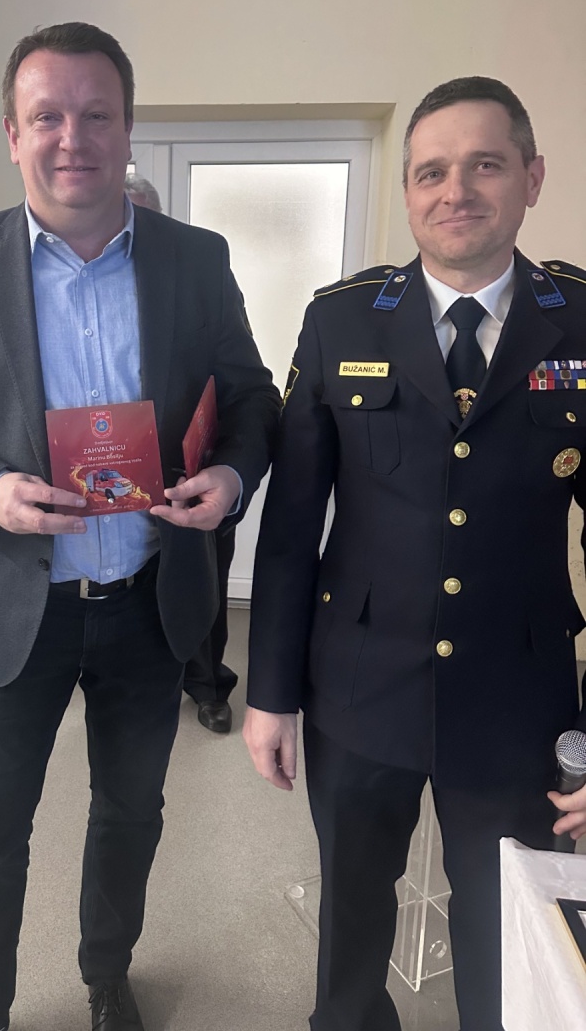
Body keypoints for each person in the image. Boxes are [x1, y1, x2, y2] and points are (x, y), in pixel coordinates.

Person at [0, 22, 279, 1031]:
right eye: (47, 116)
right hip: (12, 604)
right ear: (12, 133)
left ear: (127, 128)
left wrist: (230, 476)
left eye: (97, 115)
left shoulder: (194, 261)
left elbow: (252, 397)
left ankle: (107, 975)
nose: (73, 138)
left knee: (131, 813)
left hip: (148, 603)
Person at [242, 76, 586, 1031]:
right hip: (359, 687)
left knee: (511, 932)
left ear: (532, 177)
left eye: (486, 165)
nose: (456, 191)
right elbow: (292, 526)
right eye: (432, 172)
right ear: (407, 193)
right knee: (351, 926)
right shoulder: (342, 319)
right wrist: (270, 692)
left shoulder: (580, 320)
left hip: (519, 698)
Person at [123, 173, 239, 734]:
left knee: (205, 594)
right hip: (115, 493)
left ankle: (209, 687)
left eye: (139, 214)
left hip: (194, 478)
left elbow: (243, 383)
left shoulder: (195, 269)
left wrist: (229, 469)